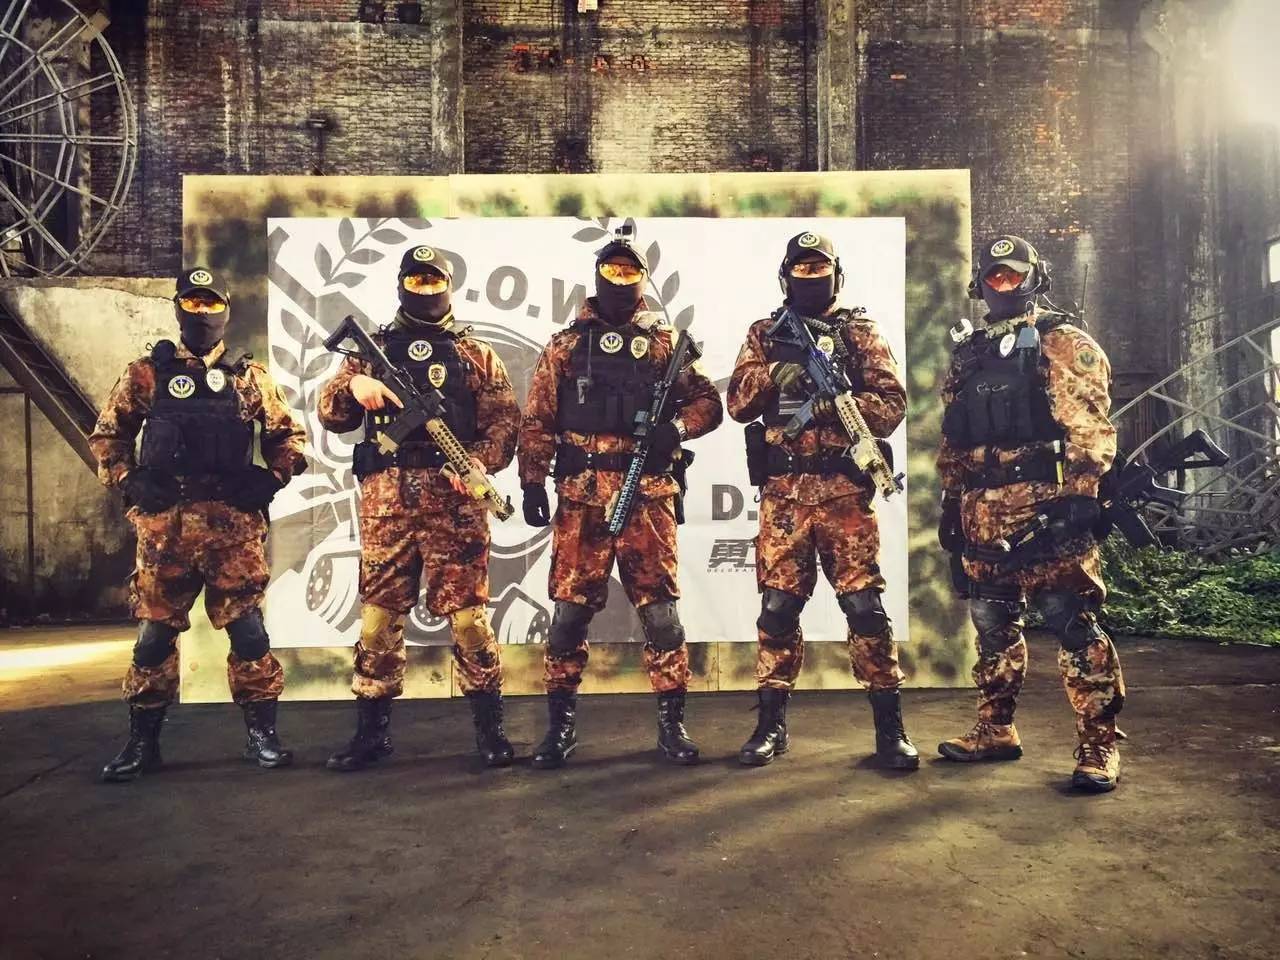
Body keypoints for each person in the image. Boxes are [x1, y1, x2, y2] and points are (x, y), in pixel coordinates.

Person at [91, 267, 307, 782]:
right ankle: (143, 743)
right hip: (166, 529)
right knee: (153, 638)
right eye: (192, 304)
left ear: (226, 311)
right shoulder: (146, 374)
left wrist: (272, 477)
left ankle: (262, 737)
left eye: (211, 305)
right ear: (178, 309)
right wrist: (129, 478)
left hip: (232, 527)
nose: (202, 314)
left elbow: (289, 437)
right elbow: (107, 436)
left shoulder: (250, 377)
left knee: (248, 633)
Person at [517, 232, 723, 767]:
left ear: (643, 280)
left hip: (647, 499)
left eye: (631, 271)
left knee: (661, 617)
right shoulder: (564, 346)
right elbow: (537, 419)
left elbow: (708, 402)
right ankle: (559, 728)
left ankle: (672, 727)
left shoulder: (665, 344)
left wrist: (675, 429)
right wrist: (532, 481)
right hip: (581, 499)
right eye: (612, 270)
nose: (621, 279)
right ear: (598, 276)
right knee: (568, 617)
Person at [317, 244, 520, 771]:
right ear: (402, 284)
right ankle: (371, 734)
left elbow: (505, 423)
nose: (425, 290)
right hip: (388, 503)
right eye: (416, 281)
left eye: (434, 281)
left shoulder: (476, 353)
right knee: (378, 620)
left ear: (448, 286)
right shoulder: (372, 350)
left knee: (469, 620)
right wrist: (354, 383)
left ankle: (491, 731)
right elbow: (331, 414)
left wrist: (475, 464)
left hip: (456, 505)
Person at [936, 234, 1125, 793]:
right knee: (992, 623)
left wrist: (1084, 494)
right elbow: (954, 435)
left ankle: (1098, 744)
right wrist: (951, 501)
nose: (1003, 284)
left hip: (1047, 509)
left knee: (1072, 621)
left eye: (1014, 275)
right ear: (980, 284)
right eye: (994, 276)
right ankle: (995, 729)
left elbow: (1089, 425)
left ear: (1035, 279)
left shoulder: (1062, 342)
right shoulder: (969, 352)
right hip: (982, 512)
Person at [726, 231, 917, 769]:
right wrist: (773, 375)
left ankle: (890, 729)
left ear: (838, 275)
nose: (812, 278)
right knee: (777, 609)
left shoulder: (861, 333)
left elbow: (891, 407)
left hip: (844, 497)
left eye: (820, 269)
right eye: (802, 269)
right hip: (784, 499)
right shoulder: (764, 334)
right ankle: (770, 724)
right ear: (786, 276)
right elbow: (737, 404)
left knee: (865, 609)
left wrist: (838, 401)